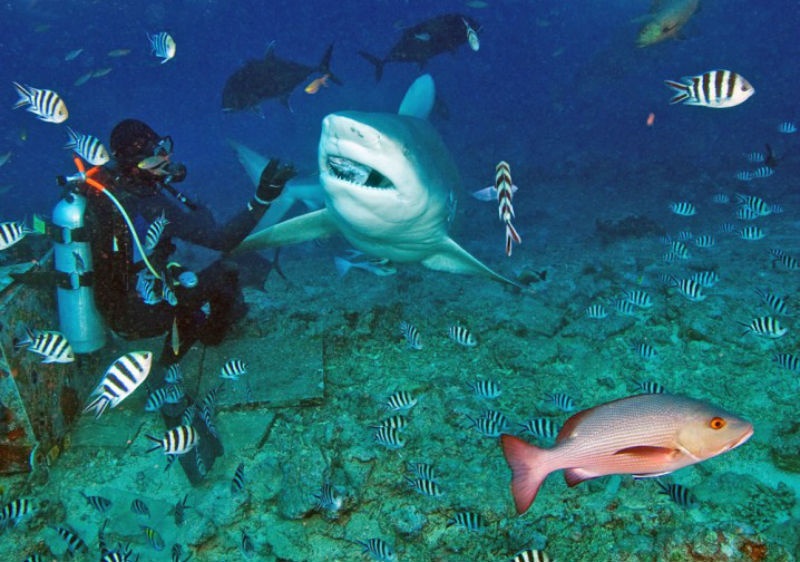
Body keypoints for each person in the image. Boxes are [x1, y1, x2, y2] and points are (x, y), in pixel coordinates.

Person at [84, 118, 295, 365]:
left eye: (165, 148)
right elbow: (219, 241)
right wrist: (261, 200)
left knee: (196, 272)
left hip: (114, 302)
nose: (168, 158)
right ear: (136, 162)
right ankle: (176, 365)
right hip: (133, 315)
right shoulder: (144, 203)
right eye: (159, 152)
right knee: (224, 274)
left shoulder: (109, 192)